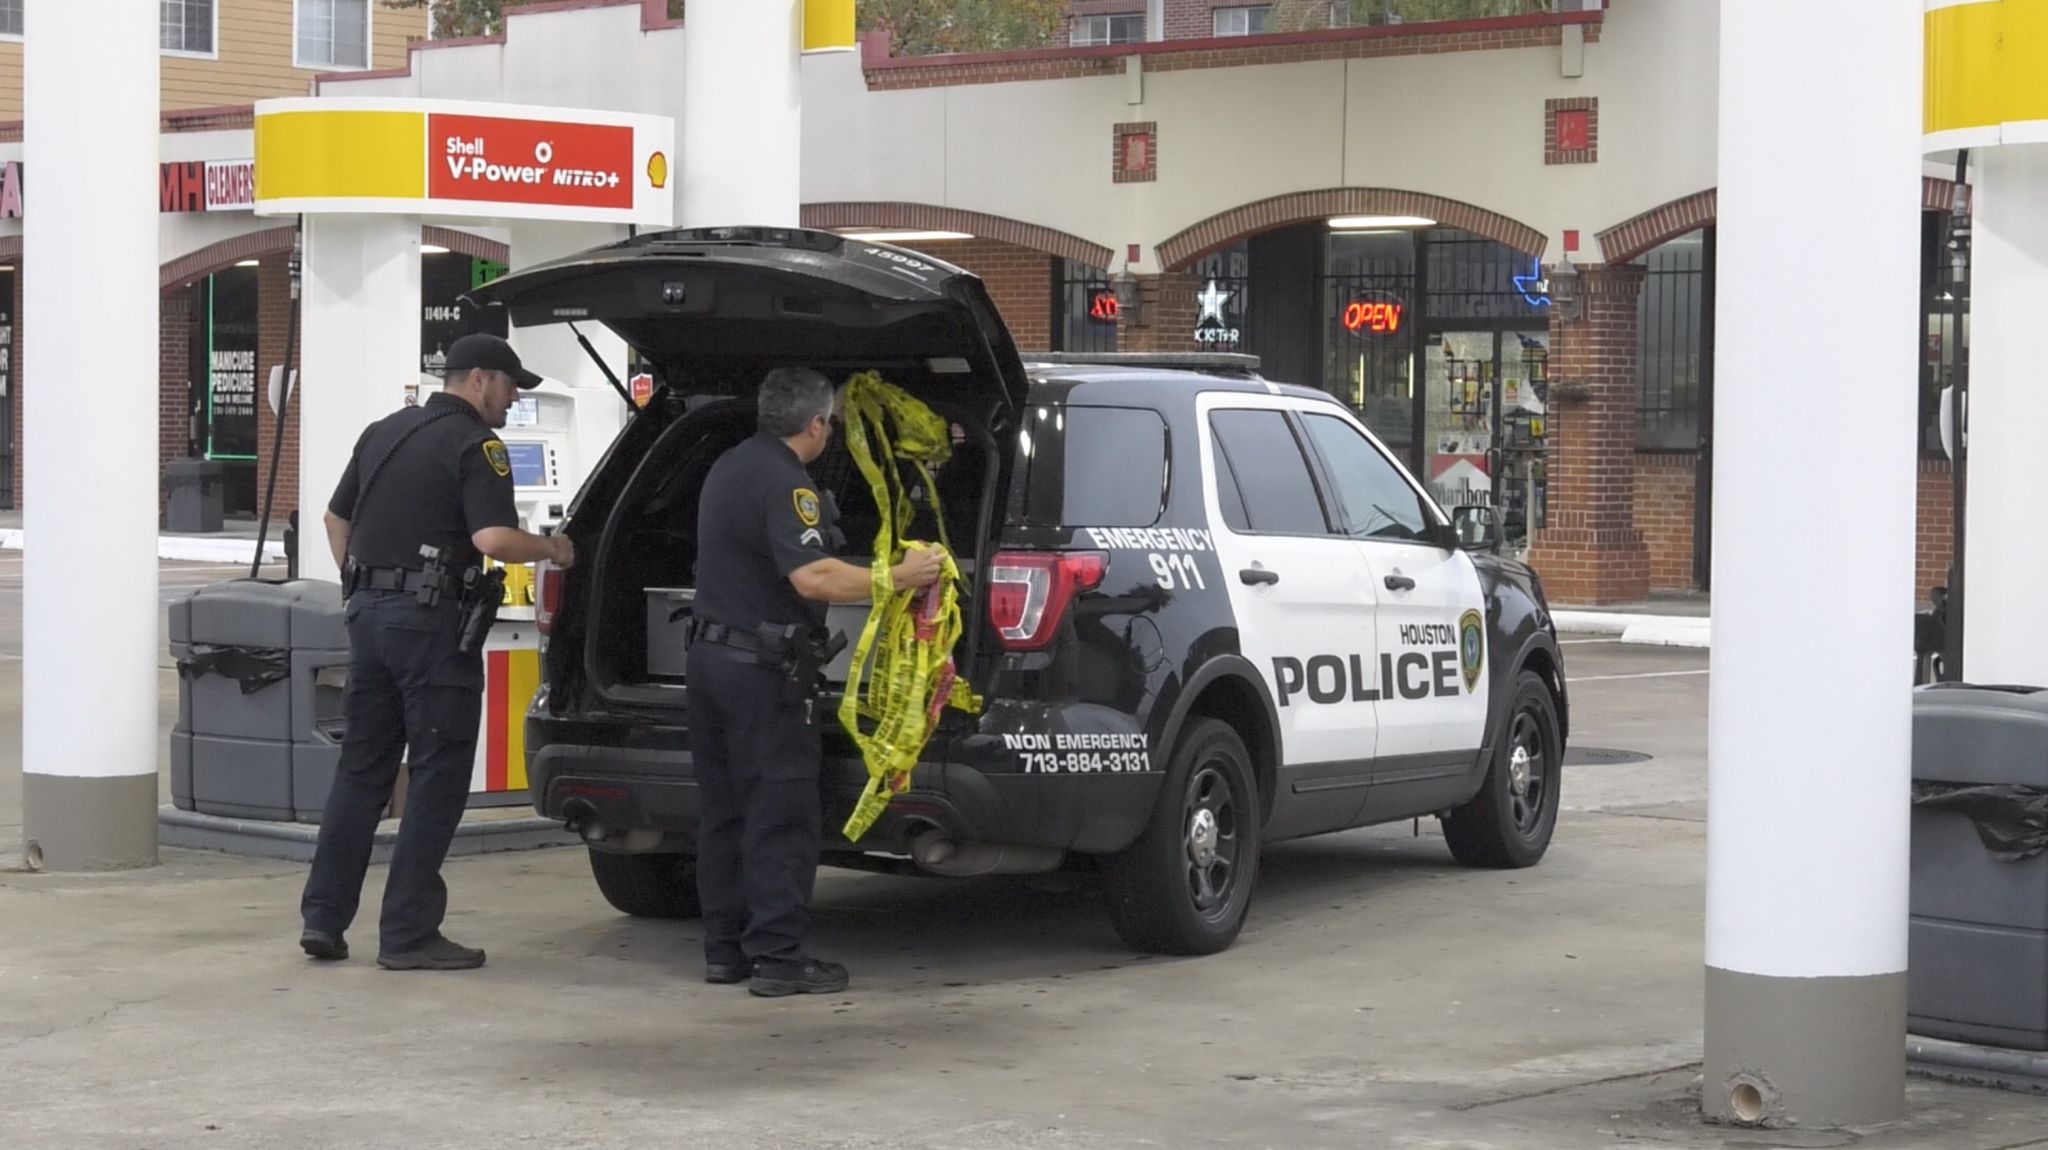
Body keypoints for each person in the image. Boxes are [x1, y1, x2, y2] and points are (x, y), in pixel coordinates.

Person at [299, 333, 575, 971]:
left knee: (362, 772)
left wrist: (364, 586)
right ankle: (408, 934)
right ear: (479, 379)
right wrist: (554, 550)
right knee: (437, 777)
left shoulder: (384, 431)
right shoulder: (478, 445)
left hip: (368, 618)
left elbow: (334, 520)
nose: (511, 403)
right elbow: (493, 537)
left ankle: (323, 919)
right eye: (509, 387)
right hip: (430, 629)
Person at [689, 366, 944, 997]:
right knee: (780, 812)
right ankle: (778, 958)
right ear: (816, 425)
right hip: (761, 674)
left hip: (710, 663)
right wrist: (900, 578)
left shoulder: (729, 464)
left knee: (723, 813)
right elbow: (815, 579)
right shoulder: (786, 483)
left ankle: (726, 950)